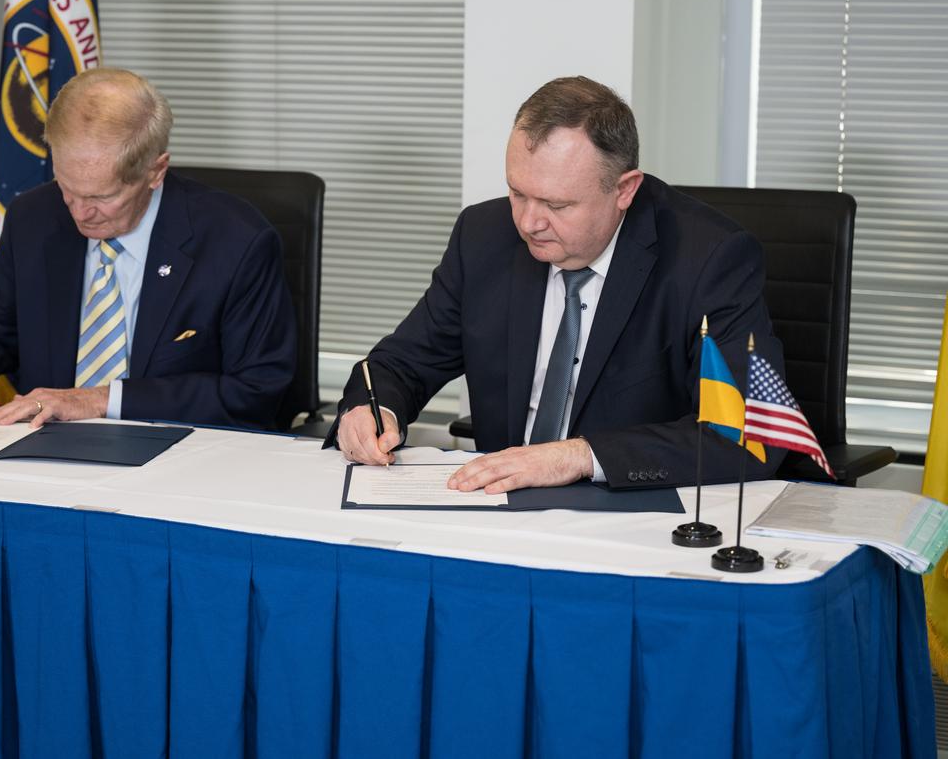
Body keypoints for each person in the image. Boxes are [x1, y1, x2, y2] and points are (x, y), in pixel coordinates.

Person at [329, 75, 787, 491]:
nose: (529, 222)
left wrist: (580, 457)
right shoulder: (484, 236)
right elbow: (402, 363)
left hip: (634, 513)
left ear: (624, 190)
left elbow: (748, 432)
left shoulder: (709, 259)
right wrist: (373, 411)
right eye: (518, 192)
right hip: (498, 509)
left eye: (557, 205)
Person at [0, 67, 296, 429]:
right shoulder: (34, 218)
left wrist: (100, 400)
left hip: (181, 465)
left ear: (155, 171)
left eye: (102, 196)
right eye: (67, 188)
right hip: (42, 455)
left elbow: (255, 390)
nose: (80, 212)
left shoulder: (236, 242)